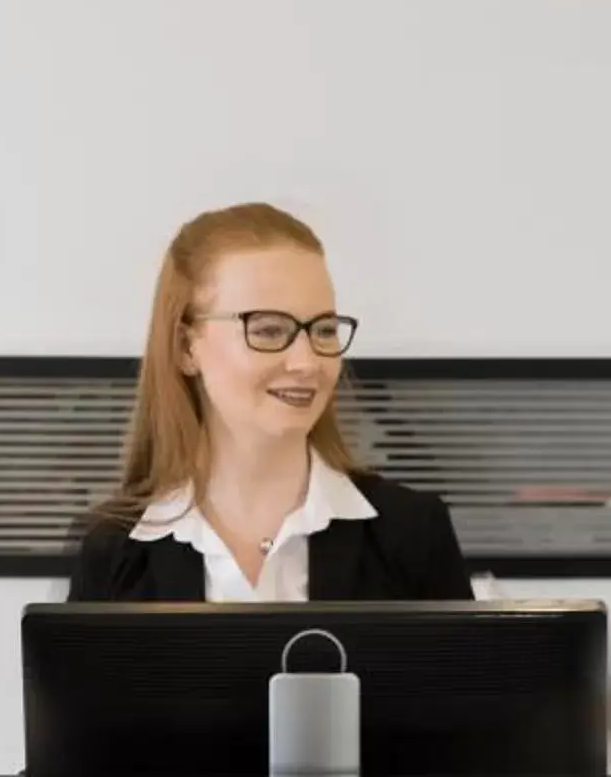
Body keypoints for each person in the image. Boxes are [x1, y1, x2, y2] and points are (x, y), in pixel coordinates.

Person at [67, 204, 468, 603]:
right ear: (185, 347)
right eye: (269, 330)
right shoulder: (113, 551)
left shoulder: (414, 535)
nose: (307, 362)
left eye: (324, 330)